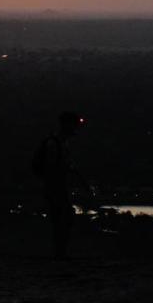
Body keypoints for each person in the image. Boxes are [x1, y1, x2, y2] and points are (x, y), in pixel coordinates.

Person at [32, 111, 88, 260]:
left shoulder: (61, 144)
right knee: (63, 218)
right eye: (75, 124)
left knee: (62, 219)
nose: (77, 128)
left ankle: (60, 253)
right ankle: (59, 253)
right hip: (55, 187)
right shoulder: (54, 144)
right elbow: (52, 168)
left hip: (58, 186)